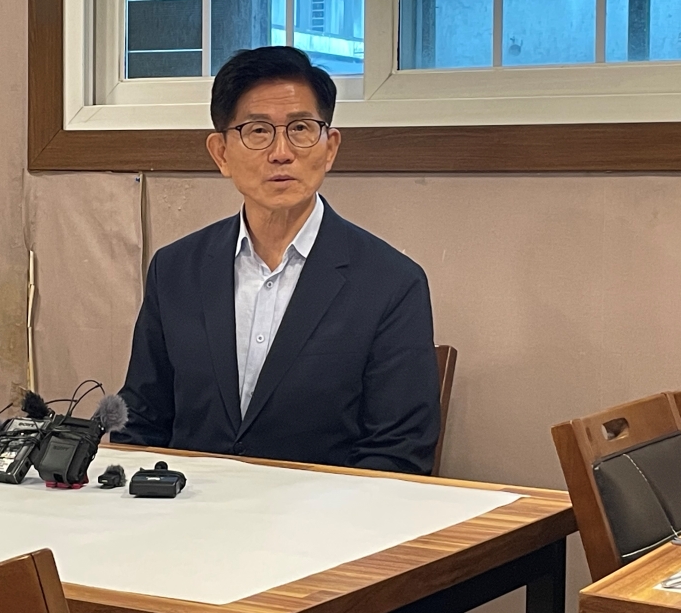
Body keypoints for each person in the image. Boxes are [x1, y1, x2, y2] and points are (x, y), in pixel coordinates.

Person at [110, 46, 440, 474]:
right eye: (257, 131)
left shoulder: (391, 283)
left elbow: (398, 453)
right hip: (188, 506)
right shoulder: (175, 270)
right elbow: (141, 422)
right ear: (221, 153)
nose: (281, 152)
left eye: (300, 128)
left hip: (325, 512)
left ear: (330, 147)